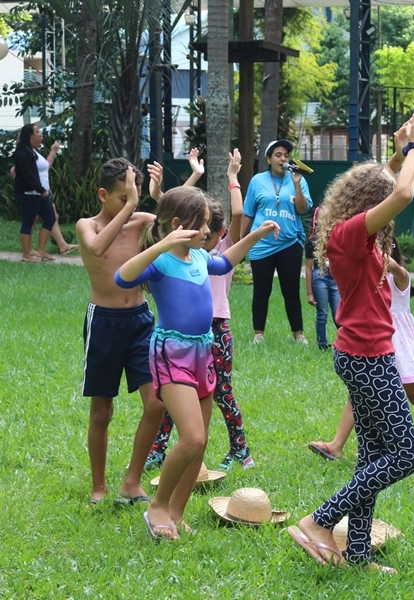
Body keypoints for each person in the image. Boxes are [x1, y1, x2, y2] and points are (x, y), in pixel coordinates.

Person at [286, 111, 414, 573]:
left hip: (365, 353)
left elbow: (389, 182)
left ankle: (358, 554)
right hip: (368, 358)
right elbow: (403, 191)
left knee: (373, 455)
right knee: (407, 454)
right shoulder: (352, 236)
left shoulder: (352, 230)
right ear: (372, 204)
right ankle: (318, 520)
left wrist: (404, 145)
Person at [115, 183, 278, 539]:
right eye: (203, 225)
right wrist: (164, 242)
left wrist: (256, 234)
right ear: (179, 224)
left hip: (203, 351)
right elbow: (122, 276)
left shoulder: (201, 257)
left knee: (200, 441)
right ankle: (157, 507)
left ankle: (175, 512)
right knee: (190, 438)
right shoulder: (161, 262)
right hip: (172, 353)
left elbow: (226, 262)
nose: (209, 232)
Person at [144, 150, 255, 472]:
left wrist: (233, 178)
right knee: (177, 399)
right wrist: (190, 176)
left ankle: (240, 448)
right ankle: (160, 448)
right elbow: (173, 209)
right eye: (202, 224)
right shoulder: (185, 253)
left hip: (215, 330)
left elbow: (236, 215)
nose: (206, 231)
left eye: (210, 226)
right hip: (183, 340)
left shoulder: (220, 249)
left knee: (222, 392)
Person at [74, 159, 165, 506]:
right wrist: (129, 207)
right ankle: (99, 486)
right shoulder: (87, 226)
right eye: (123, 197)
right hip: (104, 324)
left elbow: (179, 218)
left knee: (156, 403)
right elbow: (97, 248)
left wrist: (156, 196)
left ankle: (132, 482)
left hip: (140, 320)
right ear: (103, 195)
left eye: (136, 198)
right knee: (102, 412)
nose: (132, 205)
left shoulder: (141, 221)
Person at [308, 243, 414, 460]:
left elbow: (398, 270)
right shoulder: (371, 280)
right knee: (357, 394)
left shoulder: (399, 278)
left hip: (399, 345)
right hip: (377, 343)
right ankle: (336, 446)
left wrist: (379, 256)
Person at [242, 139, 312, 344]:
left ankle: (299, 334)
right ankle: (258, 334)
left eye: (286, 155)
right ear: (268, 159)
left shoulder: (297, 179)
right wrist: (238, 241)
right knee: (261, 290)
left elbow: (302, 209)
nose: (283, 159)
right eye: (278, 155)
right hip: (261, 243)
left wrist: (297, 184)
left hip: (290, 242)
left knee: (290, 289)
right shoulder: (257, 181)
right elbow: (248, 213)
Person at [13, 124, 78, 262]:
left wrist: (45, 189)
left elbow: (44, 169)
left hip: (41, 193)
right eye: (37, 132)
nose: (40, 134)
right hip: (29, 193)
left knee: (50, 218)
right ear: (30, 135)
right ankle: (26, 255)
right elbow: (28, 175)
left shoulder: (34, 151)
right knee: (28, 222)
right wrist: (41, 190)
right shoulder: (22, 152)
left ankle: (41, 251)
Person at [305, 206, 341, 351]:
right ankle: (322, 344)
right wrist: (309, 293)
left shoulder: (337, 238)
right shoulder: (312, 241)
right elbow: (308, 268)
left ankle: (343, 343)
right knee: (322, 312)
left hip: (335, 277)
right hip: (320, 276)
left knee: (339, 313)